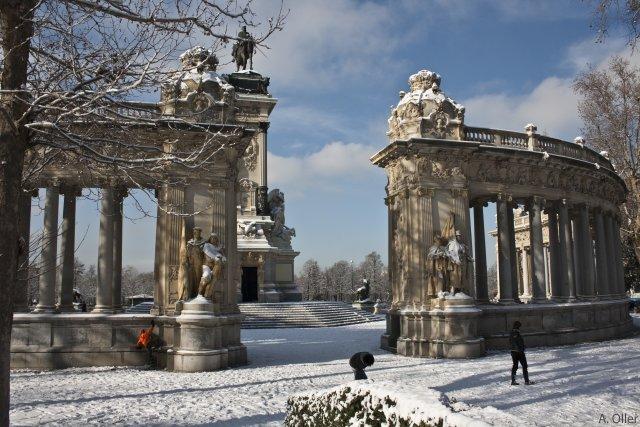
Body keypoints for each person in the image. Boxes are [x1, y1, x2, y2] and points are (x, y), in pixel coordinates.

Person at [509, 321, 534, 385]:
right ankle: (526, 381)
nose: (520, 328)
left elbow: (512, 342)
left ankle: (513, 381)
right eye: (519, 326)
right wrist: (521, 348)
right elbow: (517, 342)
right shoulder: (516, 333)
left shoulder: (511, 333)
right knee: (524, 366)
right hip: (519, 352)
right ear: (517, 326)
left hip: (513, 351)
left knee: (515, 366)